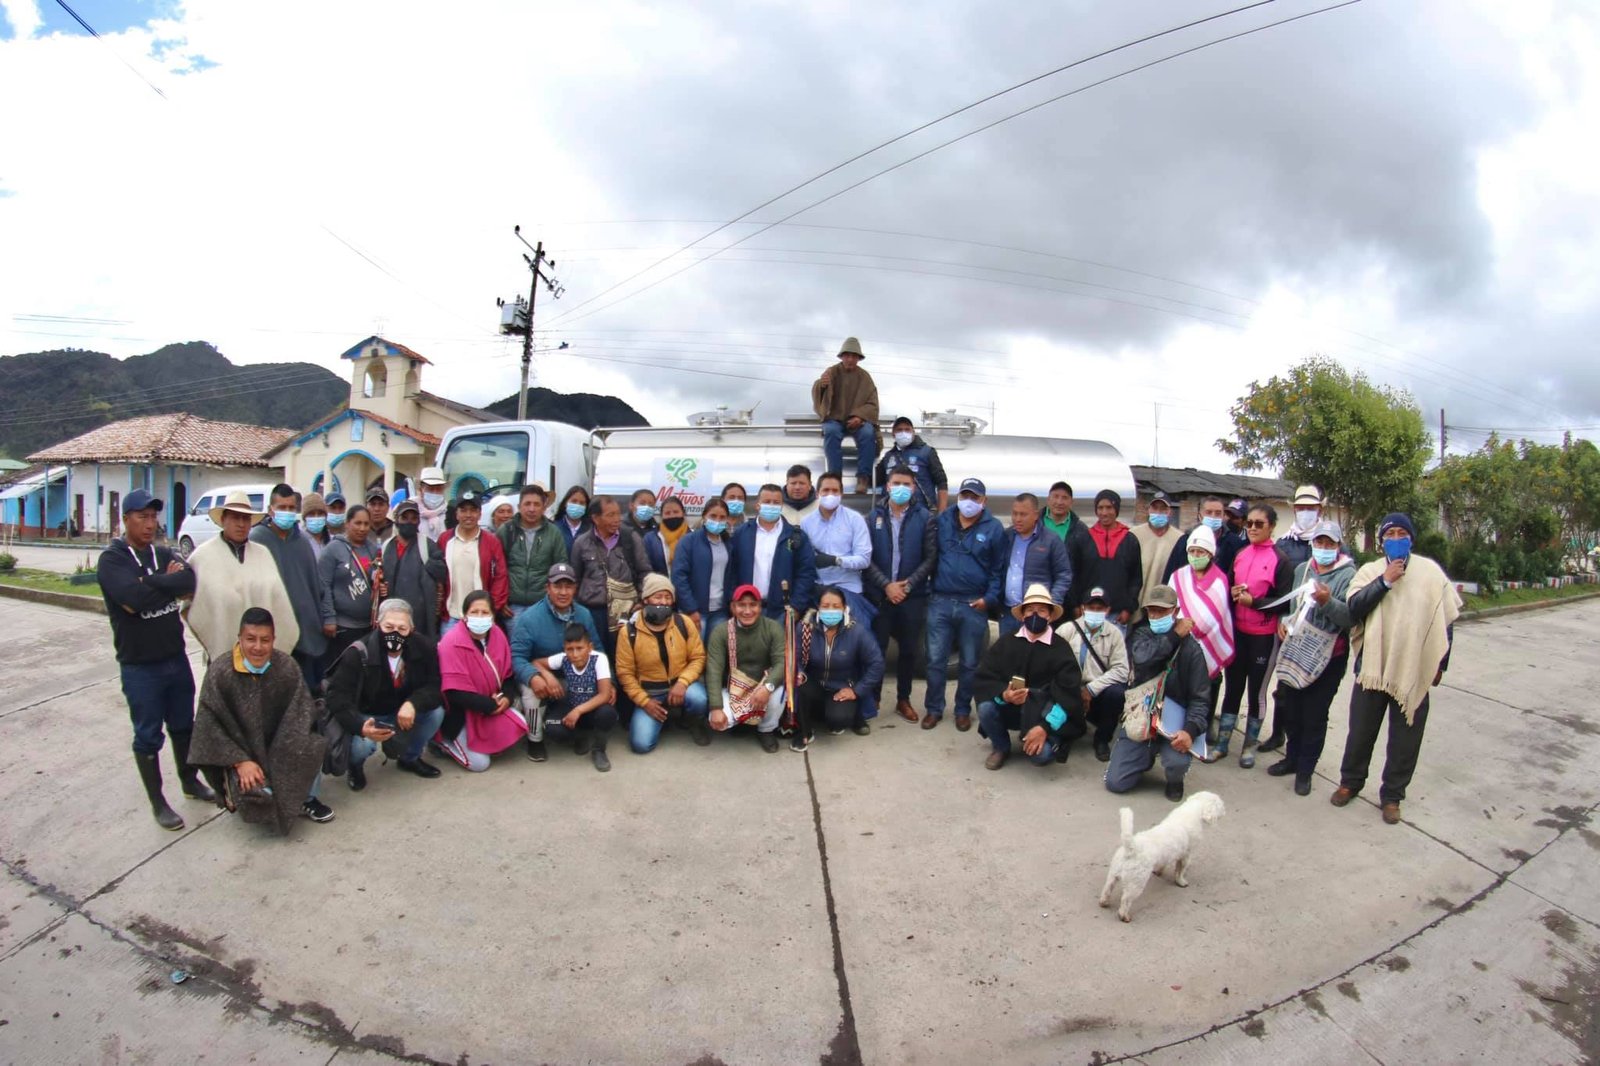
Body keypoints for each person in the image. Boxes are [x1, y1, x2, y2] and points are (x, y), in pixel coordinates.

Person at [1331, 513, 1461, 824]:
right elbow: (1354, 608)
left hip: (1412, 670)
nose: (1397, 538)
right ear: (1382, 541)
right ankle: (1350, 782)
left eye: (1403, 533)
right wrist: (1386, 580)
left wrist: (1440, 663)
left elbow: (1446, 620)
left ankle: (1392, 796)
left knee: (1406, 740)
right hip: (1373, 667)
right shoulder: (1370, 571)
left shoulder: (1431, 573)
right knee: (1361, 732)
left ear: (1412, 538)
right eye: (1391, 534)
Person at [97, 488, 213, 830]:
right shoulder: (112, 560)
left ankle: (189, 781)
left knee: (182, 725)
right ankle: (158, 801)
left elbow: (189, 579)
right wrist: (165, 584)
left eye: (153, 517)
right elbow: (131, 599)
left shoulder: (160, 553)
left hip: (175, 658)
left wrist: (151, 581)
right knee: (148, 735)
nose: (149, 524)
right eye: (141, 517)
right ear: (126, 519)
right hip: (140, 665)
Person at [190, 607, 333, 831]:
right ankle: (239, 790)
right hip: (242, 756)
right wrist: (239, 760)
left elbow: (301, 713)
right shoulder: (220, 672)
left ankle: (308, 800)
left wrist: (282, 754)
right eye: (251, 639)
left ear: (273, 640)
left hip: (280, 747)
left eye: (265, 640)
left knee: (312, 745)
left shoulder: (286, 667)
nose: (258, 647)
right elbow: (207, 726)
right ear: (240, 638)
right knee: (256, 798)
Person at [1266, 520, 1356, 796]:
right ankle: (1292, 758)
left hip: (1329, 655)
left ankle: (1306, 771)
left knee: (1314, 715)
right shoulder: (1302, 570)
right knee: (1291, 709)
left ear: (1338, 546)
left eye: (1330, 543)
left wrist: (1328, 602)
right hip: (1297, 650)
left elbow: (1349, 617)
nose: (1324, 548)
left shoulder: (1349, 575)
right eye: (1319, 543)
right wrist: (1284, 621)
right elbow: (1293, 606)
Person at [324, 598, 447, 786]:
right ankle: (355, 766)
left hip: (403, 711)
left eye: (402, 628)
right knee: (362, 745)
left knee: (435, 713)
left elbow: (434, 685)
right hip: (369, 714)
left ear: (411, 630)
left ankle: (410, 758)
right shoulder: (358, 653)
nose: (395, 634)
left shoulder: (424, 647)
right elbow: (337, 696)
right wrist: (360, 725)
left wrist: (413, 703)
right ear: (377, 625)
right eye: (389, 627)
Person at [1105, 587, 1212, 802]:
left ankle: (1175, 779)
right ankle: (1143, 757)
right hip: (1143, 714)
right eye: (1151, 611)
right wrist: (1174, 636)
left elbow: (1201, 698)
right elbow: (1143, 658)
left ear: (1176, 611)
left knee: (1176, 762)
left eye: (1161, 611)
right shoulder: (1142, 634)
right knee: (1116, 783)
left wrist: (1189, 731)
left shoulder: (1192, 650)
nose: (1155, 616)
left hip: (1175, 723)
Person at [1215, 504, 1295, 766]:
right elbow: (1227, 588)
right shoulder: (1240, 554)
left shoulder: (1280, 560)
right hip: (1238, 633)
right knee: (1233, 688)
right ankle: (1223, 744)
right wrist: (1234, 594)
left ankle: (1248, 747)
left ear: (1271, 526)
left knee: (1256, 694)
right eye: (1249, 523)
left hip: (1264, 636)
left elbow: (1285, 602)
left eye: (1259, 524)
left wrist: (1254, 602)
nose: (1252, 528)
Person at [923, 478, 1006, 731]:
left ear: (984, 501)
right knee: (936, 660)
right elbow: (930, 556)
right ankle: (934, 709)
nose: (969, 502)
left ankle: (962, 710)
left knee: (969, 663)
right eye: (965, 496)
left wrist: (988, 600)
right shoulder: (943, 520)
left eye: (975, 498)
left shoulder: (994, 529)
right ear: (958, 497)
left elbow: (998, 570)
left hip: (974, 604)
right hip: (941, 601)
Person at [973, 584, 1084, 770]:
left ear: (1049, 616)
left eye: (1041, 611)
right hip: (1012, 709)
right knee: (985, 708)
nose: (1035, 615)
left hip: (1043, 715)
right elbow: (985, 677)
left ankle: (1040, 738)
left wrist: (1044, 728)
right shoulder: (1007, 642)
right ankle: (1001, 747)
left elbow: (1068, 697)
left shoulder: (1061, 648)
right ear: (1023, 615)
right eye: (1030, 610)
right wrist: (1004, 695)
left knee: (1042, 758)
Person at [187, 489, 299, 665]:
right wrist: (210, 640)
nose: (241, 524)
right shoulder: (202, 557)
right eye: (235, 517)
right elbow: (190, 608)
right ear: (223, 520)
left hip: (262, 657)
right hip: (223, 656)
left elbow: (279, 603)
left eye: (245, 518)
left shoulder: (263, 554)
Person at [510, 562, 605, 762]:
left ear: (575, 588)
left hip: (574, 675)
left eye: (568, 586)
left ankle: (579, 730)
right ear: (548, 588)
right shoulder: (529, 618)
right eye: (557, 586)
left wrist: (609, 682)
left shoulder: (583, 614)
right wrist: (536, 676)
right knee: (532, 690)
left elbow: (597, 650)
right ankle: (534, 740)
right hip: (541, 672)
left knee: (591, 687)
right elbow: (517, 657)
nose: (563, 592)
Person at [865, 468, 937, 723]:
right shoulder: (873, 517)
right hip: (881, 596)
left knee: (908, 651)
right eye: (897, 483)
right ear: (887, 486)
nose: (901, 488)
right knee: (877, 650)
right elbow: (867, 558)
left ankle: (903, 700)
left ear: (914, 488)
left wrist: (907, 586)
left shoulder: (925, 518)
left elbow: (930, 557)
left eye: (906, 483)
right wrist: (887, 585)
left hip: (913, 597)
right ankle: (873, 698)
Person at [249, 483, 335, 690]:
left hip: (307, 632)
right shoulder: (258, 541)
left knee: (307, 694)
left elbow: (316, 584)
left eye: (290, 508)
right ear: (271, 509)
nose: (287, 512)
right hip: (274, 633)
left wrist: (326, 616)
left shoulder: (302, 542)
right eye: (282, 507)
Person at [435, 590, 528, 772]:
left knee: (521, 722)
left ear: (493, 617)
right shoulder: (450, 642)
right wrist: (491, 704)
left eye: (485, 612)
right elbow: (453, 692)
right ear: (464, 616)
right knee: (480, 764)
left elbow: (508, 675)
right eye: (474, 612)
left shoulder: (498, 635)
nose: (479, 617)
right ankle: (443, 743)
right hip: (462, 712)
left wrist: (507, 698)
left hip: (490, 703)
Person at [617, 573, 710, 753]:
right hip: (650, 692)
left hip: (681, 685)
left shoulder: (684, 623)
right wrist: (644, 702)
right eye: (658, 596)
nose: (664, 601)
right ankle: (662, 717)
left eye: (668, 597)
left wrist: (682, 683)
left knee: (699, 699)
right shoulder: (629, 632)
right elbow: (624, 673)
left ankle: (691, 721)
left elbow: (698, 657)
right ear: (645, 599)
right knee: (641, 745)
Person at [1168, 524, 1236, 758]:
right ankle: (1175, 731)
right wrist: (1179, 627)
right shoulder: (1178, 576)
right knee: (1179, 687)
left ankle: (1199, 734)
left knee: (1205, 691)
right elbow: (1170, 605)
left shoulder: (1220, 580)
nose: (1196, 556)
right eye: (1193, 551)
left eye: (1201, 552)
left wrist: (1190, 627)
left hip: (1208, 644)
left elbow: (1213, 615)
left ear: (1211, 554)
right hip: (1180, 641)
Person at [790, 586, 885, 750]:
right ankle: (805, 732)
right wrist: (799, 673)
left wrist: (856, 690)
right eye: (826, 606)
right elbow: (794, 657)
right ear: (818, 607)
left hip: (841, 686)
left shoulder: (856, 631)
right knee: (800, 686)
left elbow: (877, 663)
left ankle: (852, 714)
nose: (830, 611)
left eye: (836, 606)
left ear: (845, 608)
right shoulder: (806, 628)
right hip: (814, 682)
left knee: (837, 720)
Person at [704, 585, 789, 751]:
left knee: (781, 691)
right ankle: (743, 721)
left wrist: (768, 687)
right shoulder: (721, 632)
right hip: (734, 688)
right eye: (742, 605)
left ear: (760, 607)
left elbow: (781, 662)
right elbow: (714, 670)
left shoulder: (773, 628)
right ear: (733, 607)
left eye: (753, 605)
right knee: (720, 722)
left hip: (763, 685)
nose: (748, 611)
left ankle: (766, 730)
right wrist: (715, 707)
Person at [529, 622, 619, 772]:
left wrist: (578, 711)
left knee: (607, 713)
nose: (575, 654)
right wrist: (548, 676)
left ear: (589, 648)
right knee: (552, 729)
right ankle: (579, 736)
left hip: (592, 708)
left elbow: (604, 695)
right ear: (565, 649)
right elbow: (536, 663)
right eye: (570, 649)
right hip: (571, 705)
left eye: (580, 648)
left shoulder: (599, 659)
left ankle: (599, 749)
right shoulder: (563, 659)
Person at [571, 495, 655, 647]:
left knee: (622, 655)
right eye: (610, 515)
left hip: (625, 612)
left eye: (618, 513)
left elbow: (645, 571)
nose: (617, 519)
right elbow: (575, 579)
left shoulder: (631, 538)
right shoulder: (582, 542)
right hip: (592, 612)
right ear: (596, 518)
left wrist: (642, 600)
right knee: (596, 654)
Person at [1059, 586, 1130, 763]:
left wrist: (1091, 689)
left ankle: (1102, 739)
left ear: (1108, 610)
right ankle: (1064, 735)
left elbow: (1121, 670)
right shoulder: (1067, 629)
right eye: (1091, 608)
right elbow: (1052, 662)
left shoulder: (1115, 634)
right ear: (1083, 608)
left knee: (1117, 694)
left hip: (1098, 690)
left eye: (1100, 609)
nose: (1095, 612)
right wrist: (1073, 688)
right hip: (1070, 687)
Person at [730, 484, 818, 619]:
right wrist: (734, 602)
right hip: (746, 609)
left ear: (782, 506)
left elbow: (806, 573)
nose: (771, 505)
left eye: (776, 502)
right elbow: (731, 571)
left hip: (783, 612)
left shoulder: (796, 536)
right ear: (757, 505)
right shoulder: (741, 534)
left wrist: (796, 606)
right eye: (767, 502)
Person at [800, 471, 875, 624]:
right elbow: (805, 559)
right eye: (826, 490)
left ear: (841, 494)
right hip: (818, 589)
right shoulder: (806, 522)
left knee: (857, 636)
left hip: (849, 589)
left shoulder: (855, 519)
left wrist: (837, 560)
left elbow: (865, 559)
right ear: (817, 493)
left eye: (835, 491)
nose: (830, 494)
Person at [812, 336, 880, 494]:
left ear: (858, 358)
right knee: (831, 432)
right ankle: (835, 478)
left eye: (854, 356)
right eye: (847, 355)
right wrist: (821, 385)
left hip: (857, 420)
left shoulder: (865, 377)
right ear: (842, 356)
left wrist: (860, 416)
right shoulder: (832, 371)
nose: (850, 359)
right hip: (835, 419)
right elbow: (819, 392)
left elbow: (872, 402)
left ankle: (863, 478)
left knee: (868, 433)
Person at [437, 489, 510, 637]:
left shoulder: (491, 542)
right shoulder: (444, 540)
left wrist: (492, 608)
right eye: (463, 510)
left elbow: (500, 577)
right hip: (451, 617)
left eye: (473, 510)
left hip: (480, 617)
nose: (468, 515)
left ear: (480, 514)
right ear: (457, 514)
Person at [998, 492, 1072, 638]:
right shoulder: (1007, 537)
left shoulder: (1051, 540)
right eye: (1015, 514)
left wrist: (1052, 604)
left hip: (1036, 614)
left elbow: (1064, 574)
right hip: (1008, 612)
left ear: (1036, 515)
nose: (1017, 519)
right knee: (1007, 656)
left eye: (1023, 514)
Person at [318, 503, 379, 669]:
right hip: (342, 627)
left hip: (368, 626)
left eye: (366, 524)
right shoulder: (332, 550)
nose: (362, 528)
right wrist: (329, 618)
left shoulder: (374, 550)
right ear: (347, 524)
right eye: (357, 523)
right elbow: (324, 585)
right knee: (342, 670)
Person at [497, 483, 568, 623]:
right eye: (527, 504)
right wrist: (500, 600)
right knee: (517, 644)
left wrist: (555, 599)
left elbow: (560, 568)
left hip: (543, 605)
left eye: (536, 504)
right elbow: (497, 569)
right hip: (513, 606)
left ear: (544, 507)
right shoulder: (507, 531)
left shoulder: (553, 533)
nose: (531, 509)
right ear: (519, 507)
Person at [379, 497, 447, 640]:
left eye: (414, 518)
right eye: (405, 518)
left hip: (420, 621)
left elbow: (442, 574)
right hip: (392, 619)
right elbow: (380, 577)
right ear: (397, 519)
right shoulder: (387, 547)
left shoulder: (428, 546)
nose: (409, 522)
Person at [671, 496, 736, 638]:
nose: (717, 521)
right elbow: (679, 577)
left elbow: (731, 576)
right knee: (695, 654)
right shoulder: (688, 541)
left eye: (722, 517)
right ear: (704, 516)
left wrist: (731, 602)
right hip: (695, 610)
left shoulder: (728, 544)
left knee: (716, 654)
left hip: (720, 611)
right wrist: (691, 609)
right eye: (713, 516)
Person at [1084, 490, 1142, 628]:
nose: (1104, 513)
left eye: (1109, 507)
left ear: (1116, 509)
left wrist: (1128, 608)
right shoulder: (1084, 538)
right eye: (1100, 508)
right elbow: (1077, 574)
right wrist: (1077, 606)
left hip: (1117, 615)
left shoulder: (1130, 540)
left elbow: (1136, 578)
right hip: (1089, 612)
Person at [1042, 481, 1097, 611]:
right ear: (1048, 499)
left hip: (1068, 601)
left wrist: (1079, 602)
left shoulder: (1080, 530)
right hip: (1037, 595)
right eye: (1055, 496)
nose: (1059, 502)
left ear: (1071, 502)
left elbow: (1085, 569)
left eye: (1064, 498)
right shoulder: (1035, 523)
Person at [875, 416, 948, 512]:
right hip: (892, 514)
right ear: (893, 433)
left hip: (921, 513)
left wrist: (941, 514)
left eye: (907, 429)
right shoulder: (889, 456)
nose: (903, 433)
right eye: (899, 430)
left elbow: (942, 482)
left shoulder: (927, 452)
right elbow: (874, 480)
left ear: (913, 432)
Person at [1162, 496, 1236, 583]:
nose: (1213, 517)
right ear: (1200, 516)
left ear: (1223, 516)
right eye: (1208, 512)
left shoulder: (1234, 543)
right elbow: (1170, 573)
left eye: (1218, 513)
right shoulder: (1185, 541)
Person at [1131, 492, 1179, 614]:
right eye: (1155, 508)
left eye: (1163, 509)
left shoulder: (1179, 539)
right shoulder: (1134, 535)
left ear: (1170, 512)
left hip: (1165, 605)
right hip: (1137, 603)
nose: (1159, 512)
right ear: (1148, 510)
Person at [1276, 485, 1325, 570]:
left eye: (1310, 508)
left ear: (1319, 511)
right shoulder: (1283, 544)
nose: (1305, 512)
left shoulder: (1331, 542)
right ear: (1294, 511)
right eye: (1301, 508)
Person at [627, 489, 670, 575]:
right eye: (642, 503)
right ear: (631, 506)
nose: (647, 507)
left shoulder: (658, 530)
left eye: (651, 504)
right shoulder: (621, 527)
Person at [654, 496, 691, 571]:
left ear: (683, 513)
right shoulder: (651, 538)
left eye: (676, 512)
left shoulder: (694, 537)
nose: (672, 515)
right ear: (662, 516)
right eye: (667, 513)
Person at [416, 466, 450, 543]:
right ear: (421, 489)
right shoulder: (412, 511)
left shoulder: (450, 512)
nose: (434, 492)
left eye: (438, 489)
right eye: (430, 489)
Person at [555, 485, 593, 550]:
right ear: (565, 503)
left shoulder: (591, 529)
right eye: (574, 501)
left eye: (582, 503)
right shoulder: (555, 528)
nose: (577, 505)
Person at [301, 492, 332, 560]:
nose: (316, 517)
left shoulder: (331, 541)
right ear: (304, 518)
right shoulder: (299, 542)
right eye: (311, 514)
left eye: (320, 513)